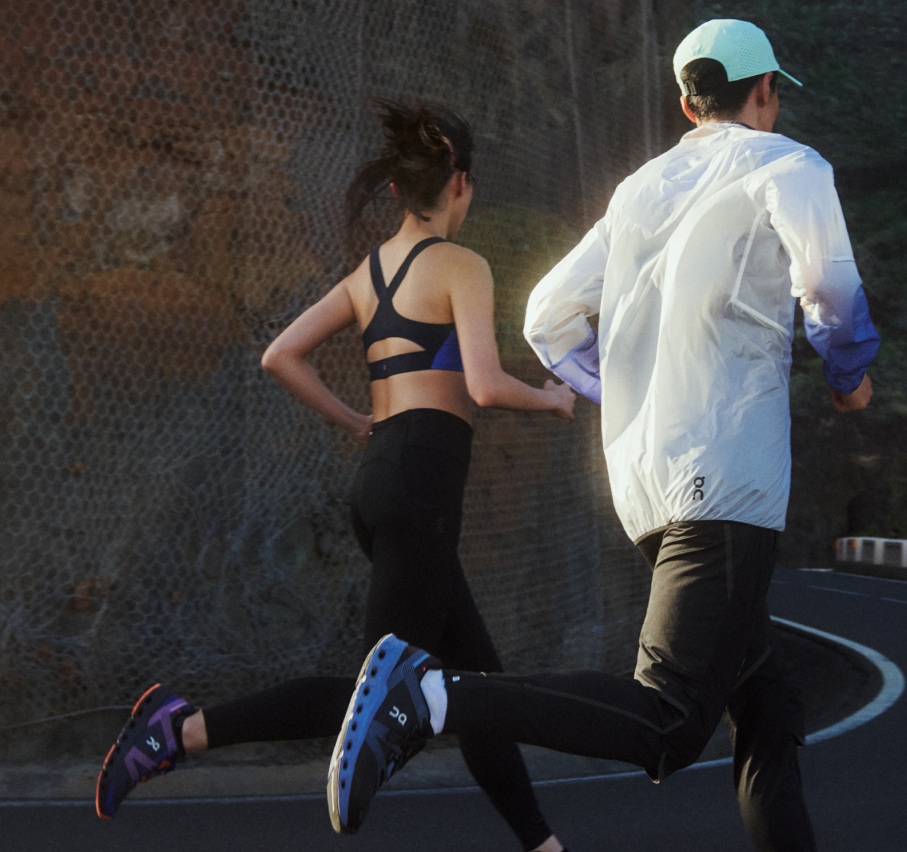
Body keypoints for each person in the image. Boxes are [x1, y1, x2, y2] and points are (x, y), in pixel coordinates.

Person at [327, 19, 880, 851]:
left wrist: (620, 383)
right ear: (765, 92)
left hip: (645, 484)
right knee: (668, 719)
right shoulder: (787, 165)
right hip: (724, 480)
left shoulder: (638, 192)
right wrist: (849, 377)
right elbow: (830, 290)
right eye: (773, 93)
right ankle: (434, 696)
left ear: (687, 103)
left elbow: (546, 315)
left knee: (768, 703)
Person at [94, 99, 574, 852]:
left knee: (475, 691)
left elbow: (280, 354)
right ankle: (175, 733)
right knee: (374, 702)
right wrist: (551, 398)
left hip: (385, 477)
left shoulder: (368, 275)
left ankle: (543, 845)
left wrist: (356, 421)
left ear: (396, 190)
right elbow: (482, 384)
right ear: (462, 185)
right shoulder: (461, 266)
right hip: (421, 486)